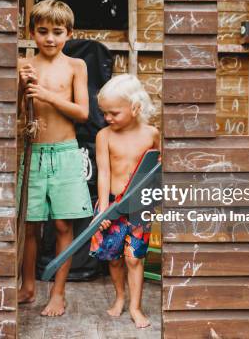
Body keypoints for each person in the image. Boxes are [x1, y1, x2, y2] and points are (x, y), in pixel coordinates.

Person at [17, 0, 92, 317]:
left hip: (65, 152)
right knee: (30, 225)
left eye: (57, 32)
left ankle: (58, 293)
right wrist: (22, 90)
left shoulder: (77, 66)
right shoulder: (23, 65)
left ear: (69, 33)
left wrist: (48, 95)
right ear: (31, 32)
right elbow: (19, 112)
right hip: (33, 152)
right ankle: (28, 286)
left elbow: (84, 113)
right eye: (42, 31)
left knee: (63, 224)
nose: (50, 38)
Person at [89, 74, 160, 328]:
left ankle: (135, 307)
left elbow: (157, 170)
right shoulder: (104, 136)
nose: (107, 118)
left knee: (134, 257)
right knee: (114, 257)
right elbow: (104, 172)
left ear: (135, 107)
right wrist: (104, 210)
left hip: (140, 206)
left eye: (114, 113)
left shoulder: (152, 134)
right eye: (104, 112)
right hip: (111, 203)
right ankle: (119, 297)